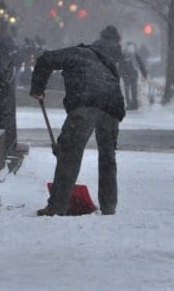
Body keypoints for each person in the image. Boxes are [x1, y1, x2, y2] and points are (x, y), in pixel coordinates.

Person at [30, 25, 126, 216]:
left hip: (86, 101)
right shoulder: (109, 66)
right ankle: (109, 206)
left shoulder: (79, 53)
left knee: (70, 153)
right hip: (112, 107)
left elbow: (45, 58)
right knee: (107, 156)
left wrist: (38, 89)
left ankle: (57, 207)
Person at [119, 41, 148, 110]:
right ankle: (134, 104)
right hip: (133, 74)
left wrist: (120, 73)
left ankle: (129, 104)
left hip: (126, 74)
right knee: (133, 89)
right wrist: (144, 73)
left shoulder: (123, 54)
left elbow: (120, 65)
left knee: (127, 90)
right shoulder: (135, 54)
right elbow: (141, 64)